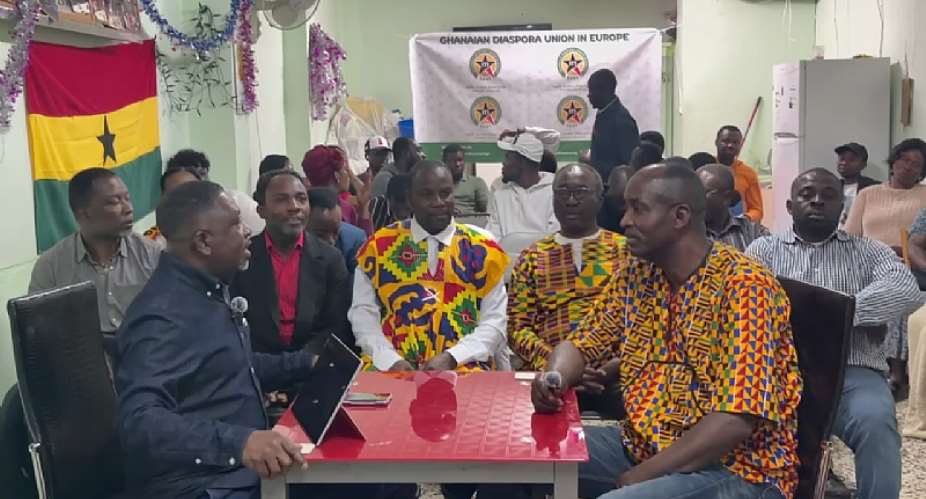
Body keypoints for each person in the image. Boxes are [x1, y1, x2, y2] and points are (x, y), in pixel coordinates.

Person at [533, 162, 802, 499]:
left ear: (680, 217)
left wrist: (638, 477)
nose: (624, 221)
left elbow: (735, 420)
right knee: (523, 458)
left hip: (739, 468)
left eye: (638, 209)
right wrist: (554, 378)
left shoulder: (745, 287)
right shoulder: (639, 274)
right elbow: (580, 344)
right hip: (645, 446)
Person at [116, 181, 312, 499]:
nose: (247, 230)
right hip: (201, 486)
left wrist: (308, 363)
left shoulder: (207, 291)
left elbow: (231, 367)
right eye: (236, 224)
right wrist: (240, 443)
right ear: (204, 242)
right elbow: (140, 421)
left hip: (237, 473)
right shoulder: (162, 316)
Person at [747, 168, 922, 499]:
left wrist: (839, 313)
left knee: (876, 423)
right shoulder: (763, 251)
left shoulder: (868, 251)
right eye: (807, 194)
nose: (817, 200)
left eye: (828, 196)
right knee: (740, 421)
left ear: (841, 208)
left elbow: (905, 289)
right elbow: (747, 303)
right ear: (789, 206)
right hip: (780, 370)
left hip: (852, 371)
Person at [348, 160, 509, 373]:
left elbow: (495, 321)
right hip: (391, 365)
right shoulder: (378, 247)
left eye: (445, 193)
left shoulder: (482, 248)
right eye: (426, 194)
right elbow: (362, 314)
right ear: (410, 199)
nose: (438, 202)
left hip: (465, 364)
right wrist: (389, 359)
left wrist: (453, 357)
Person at [508, 164, 625, 417]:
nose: (571, 201)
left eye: (580, 192)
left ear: (600, 198)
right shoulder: (533, 257)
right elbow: (518, 329)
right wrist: (558, 366)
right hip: (548, 375)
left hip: (615, 374)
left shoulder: (625, 252)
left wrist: (611, 367)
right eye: (562, 193)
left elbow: (642, 322)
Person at [232, 170, 352, 355]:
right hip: (255, 363)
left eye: (301, 199)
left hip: (313, 363)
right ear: (261, 210)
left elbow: (337, 325)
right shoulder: (240, 257)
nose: (294, 207)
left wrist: (304, 360)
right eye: (282, 200)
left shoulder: (331, 259)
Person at [30, 168, 161, 336]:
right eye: (114, 202)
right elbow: (38, 329)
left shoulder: (152, 254)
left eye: (127, 198)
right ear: (84, 214)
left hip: (142, 348)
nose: (128, 208)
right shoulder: (51, 266)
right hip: (82, 350)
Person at [844, 138, 926, 252]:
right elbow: (848, 238)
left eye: (916, 164)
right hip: (869, 259)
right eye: (905, 160)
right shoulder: (866, 194)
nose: (908, 167)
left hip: (912, 261)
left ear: (922, 172)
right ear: (893, 161)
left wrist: (906, 252)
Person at [166, 149, 266, 236]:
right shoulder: (171, 219)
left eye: (203, 174)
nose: (201, 180)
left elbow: (263, 228)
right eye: (193, 177)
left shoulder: (235, 200)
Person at [487, 133, 559, 239]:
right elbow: (493, 237)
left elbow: (554, 236)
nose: (503, 163)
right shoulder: (499, 195)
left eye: (508, 157)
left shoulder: (556, 193)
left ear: (522, 162)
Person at [301, 145, 373, 235]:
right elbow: (363, 241)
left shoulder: (303, 206)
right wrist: (364, 208)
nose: (348, 175)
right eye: (345, 170)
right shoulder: (344, 209)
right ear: (337, 175)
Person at [697, 164, 769, 251]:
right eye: (694, 192)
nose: (695, 199)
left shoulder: (755, 233)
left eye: (704, 192)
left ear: (727, 198)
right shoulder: (687, 235)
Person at [587, 68, 639, 180]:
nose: (588, 96)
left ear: (604, 91)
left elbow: (628, 163)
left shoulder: (622, 121)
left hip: (613, 184)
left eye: (591, 91)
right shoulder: (604, 113)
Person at [306, 186, 368, 275]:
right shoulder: (291, 245)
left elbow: (359, 280)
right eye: (320, 234)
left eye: (336, 232)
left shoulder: (354, 241)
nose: (331, 240)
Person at [715, 126, 763, 222]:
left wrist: (744, 219)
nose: (730, 145)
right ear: (716, 142)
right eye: (726, 141)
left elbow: (757, 210)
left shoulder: (749, 174)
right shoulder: (705, 167)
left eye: (735, 142)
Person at [144, 167, 201, 247]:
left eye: (192, 191)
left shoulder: (216, 233)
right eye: (177, 193)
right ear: (163, 198)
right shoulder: (149, 243)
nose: (186, 198)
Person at [835, 142, 879, 228]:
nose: (844, 163)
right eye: (841, 159)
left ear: (863, 165)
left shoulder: (874, 188)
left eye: (852, 160)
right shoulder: (832, 186)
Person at [442, 143, 489, 216]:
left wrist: (464, 214)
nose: (457, 164)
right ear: (445, 162)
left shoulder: (476, 183)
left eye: (460, 160)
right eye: (453, 161)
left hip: (469, 220)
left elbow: (487, 210)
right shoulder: (437, 184)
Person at [597, 164, 634, 235]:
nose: (625, 208)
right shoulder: (595, 211)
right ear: (606, 190)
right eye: (621, 202)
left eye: (631, 202)